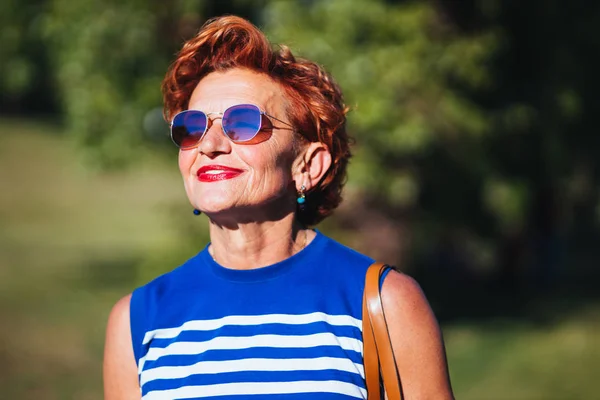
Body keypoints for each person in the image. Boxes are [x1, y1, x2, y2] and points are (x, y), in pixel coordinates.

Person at [103, 15, 454, 400]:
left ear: (307, 165)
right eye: (192, 126)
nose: (209, 145)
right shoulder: (136, 322)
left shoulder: (386, 303)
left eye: (243, 123)